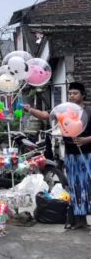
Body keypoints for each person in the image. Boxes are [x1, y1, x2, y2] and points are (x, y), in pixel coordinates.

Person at [25, 82, 91, 229]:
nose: (71, 96)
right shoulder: (64, 110)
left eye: (75, 93)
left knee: (86, 186)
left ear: (83, 96)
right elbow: (47, 115)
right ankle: (78, 220)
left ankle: (83, 220)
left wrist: (85, 140)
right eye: (70, 93)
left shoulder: (89, 111)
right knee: (74, 187)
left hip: (86, 156)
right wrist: (30, 110)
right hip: (70, 156)